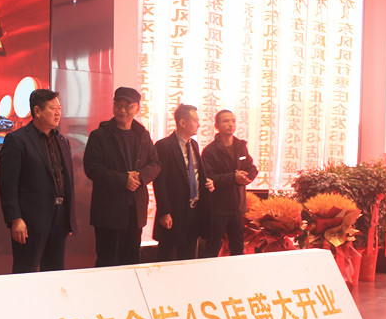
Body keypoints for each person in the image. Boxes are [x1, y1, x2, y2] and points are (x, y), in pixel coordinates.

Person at [0, 88, 75, 273]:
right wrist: (15, 218)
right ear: (37, 111)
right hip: (30, 220)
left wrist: (68, 218)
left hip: (59, 217)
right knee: (26, 272)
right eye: (52, 108)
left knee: (55, 272)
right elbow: (8, 184)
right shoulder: (17, 140)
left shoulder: (62, 141)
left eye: (59, 108)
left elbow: (67, 180)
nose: (57, 113)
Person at [83, 87, 161, 266]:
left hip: (135, 211)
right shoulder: (99, 135)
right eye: (118, 104)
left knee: (131, 260)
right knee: (107, 261)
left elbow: (155, 163)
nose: (122, 110)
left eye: (128, 106)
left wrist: (139, 177)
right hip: (108, 211)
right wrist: (123, 180)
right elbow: (92, 168)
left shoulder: (142, 135)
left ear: (138, 108)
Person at [153, 104, 214, 261]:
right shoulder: (164, 146)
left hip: (193, 211)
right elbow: (160, 182)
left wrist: (206, 182)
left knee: (188, 257)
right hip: (174, 212)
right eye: (195, 121)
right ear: (182, 122)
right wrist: (164, 212)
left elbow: (195, 173)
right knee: (166, 257)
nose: (199, 125)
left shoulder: (194, 144)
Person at [201, 109, 258, 257]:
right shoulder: (210, 151)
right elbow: (208, 177)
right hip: (218, 208)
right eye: (226, 121)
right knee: (212, 247)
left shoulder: (240, 146)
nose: (231, 124)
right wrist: (233, 177)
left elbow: (252, 168)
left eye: (233, 121)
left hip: (237, 206)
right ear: (217, 126)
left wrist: (247, 177)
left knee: (237, 247)